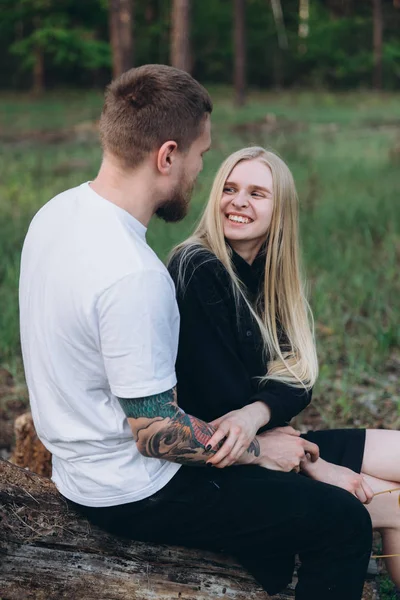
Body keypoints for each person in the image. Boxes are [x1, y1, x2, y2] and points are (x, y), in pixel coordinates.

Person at [19, 67, 372, 600]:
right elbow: (154, 432)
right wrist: (261, 452)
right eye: (201, 157)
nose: (200, 172)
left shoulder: (58, 213)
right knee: (343, 522)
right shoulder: (135, 274)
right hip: (133, 489)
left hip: (81, 469)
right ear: (167, 156)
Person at [168, 145, 400, 588]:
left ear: (282, 211)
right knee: (394, 503)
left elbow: (296, 382)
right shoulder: (197, 267)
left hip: (264, 439)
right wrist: (315, 465)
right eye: (230, 189)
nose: (238, 201)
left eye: (257, 193)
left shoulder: (268, 275)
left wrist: (259, 414)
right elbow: (220, 400)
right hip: (217, 463)